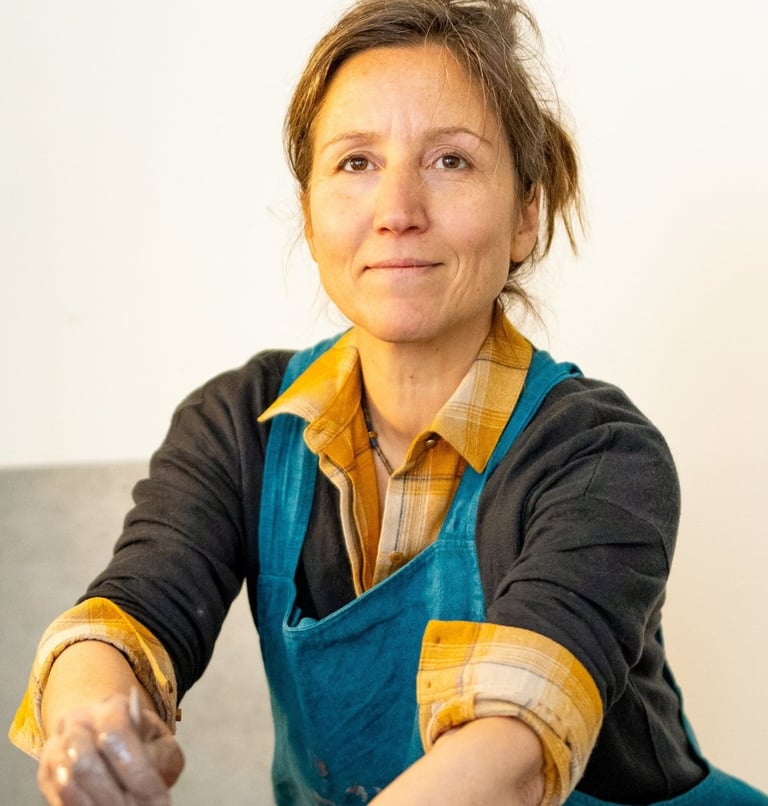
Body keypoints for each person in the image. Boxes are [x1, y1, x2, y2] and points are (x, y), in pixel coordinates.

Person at [8, 0, 768, 804]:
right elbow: (129, 615)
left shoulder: (601, 458)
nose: (397, 211)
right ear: (308, 211)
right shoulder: (241, 426)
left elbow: (509, 759)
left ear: (526, 215)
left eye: (451, 161)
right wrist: (91, 728)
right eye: (356, 163)